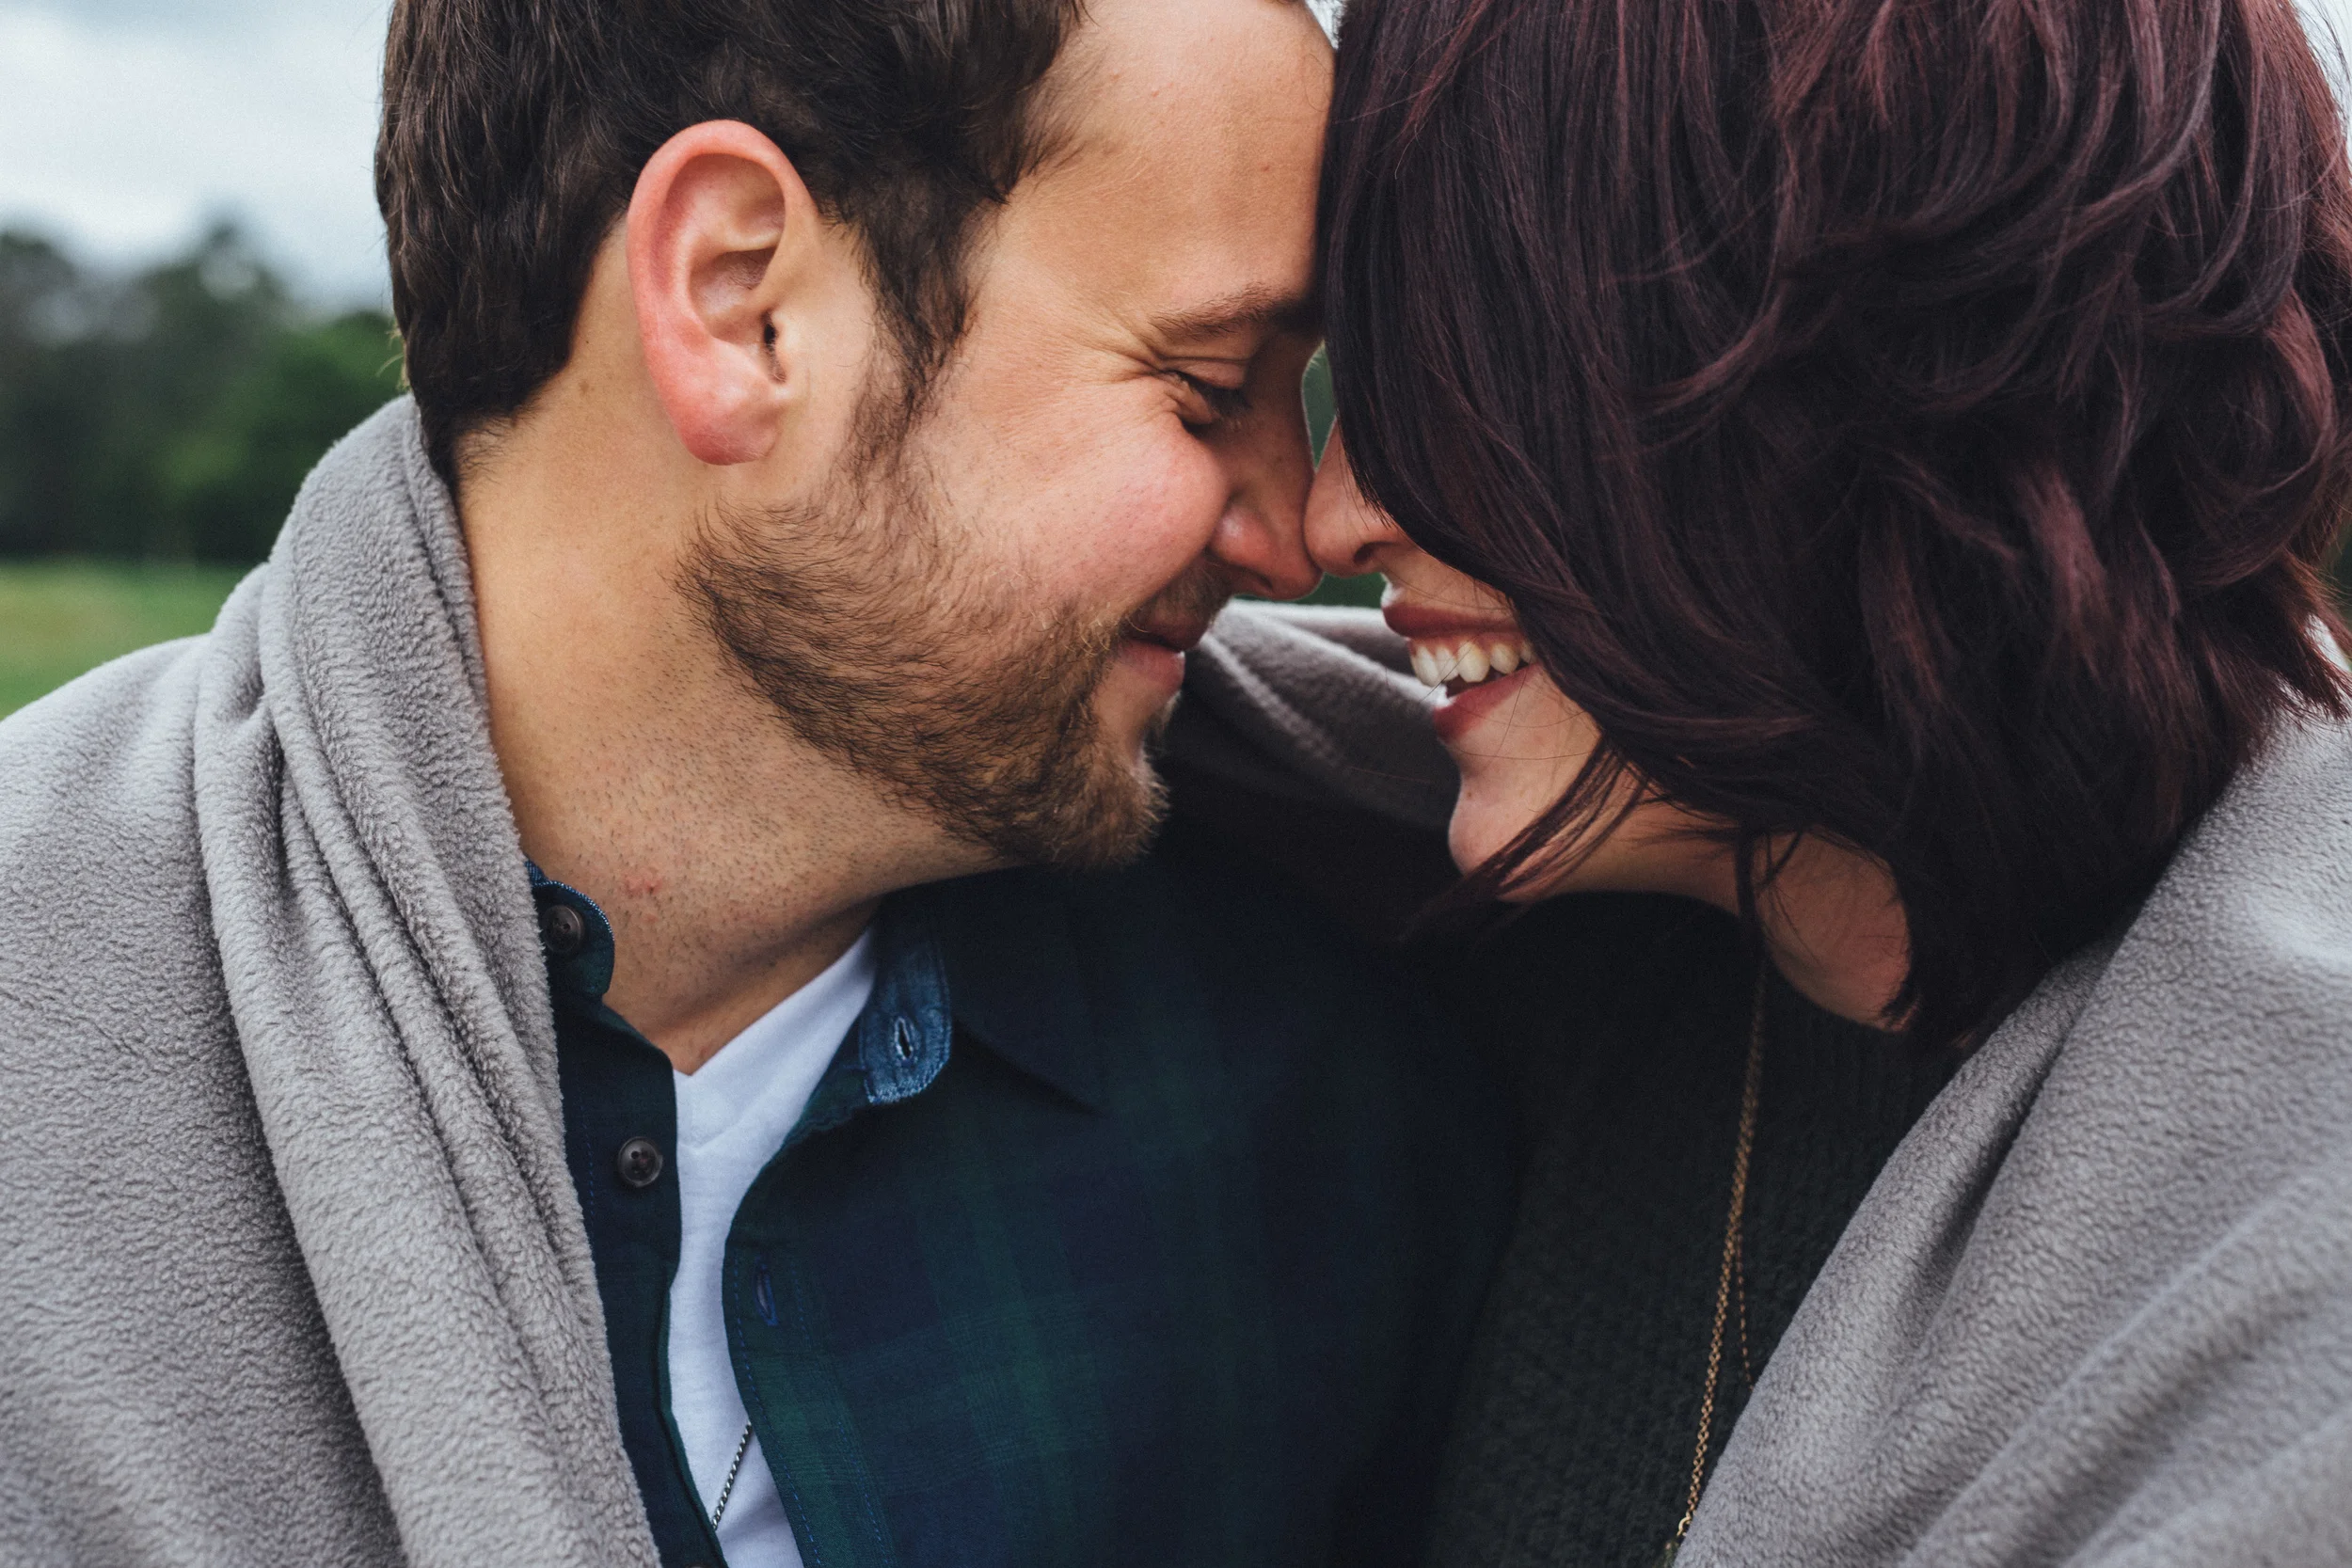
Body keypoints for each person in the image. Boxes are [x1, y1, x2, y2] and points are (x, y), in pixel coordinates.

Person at [0, 2, 1511, 1564]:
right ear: (740, 302)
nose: (1297, 524)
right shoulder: (36, 1040)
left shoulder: (1332, 1120)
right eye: (1205, 387)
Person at [1175, 0, 2352, 1560]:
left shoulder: (2296, 1217)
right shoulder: (1429, 974)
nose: (1334, 516)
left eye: (1462, 380)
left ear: (1823, 384)